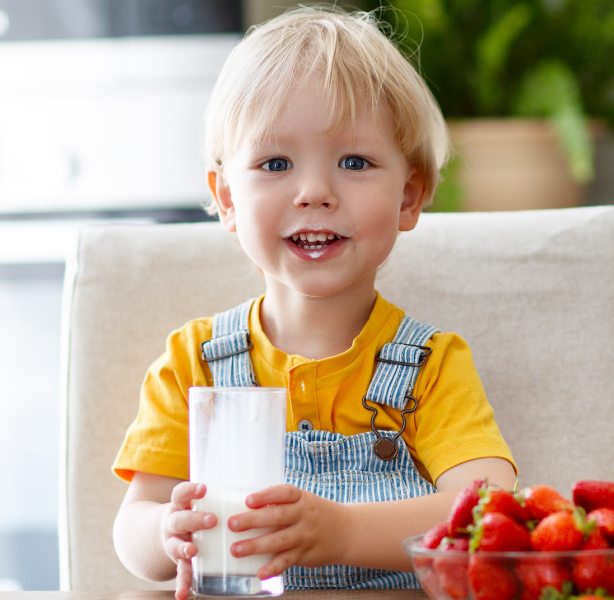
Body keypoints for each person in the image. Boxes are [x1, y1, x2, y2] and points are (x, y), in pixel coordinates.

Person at [110, 6, 516, 597]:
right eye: (276, 163)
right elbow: (133, 528)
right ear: (226, 197)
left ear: (410, 195)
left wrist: (344, 532)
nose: (315, 193)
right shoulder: (194, 360)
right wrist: (168, 533)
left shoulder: (431, 365)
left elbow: (487, 514)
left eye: (354, 162)